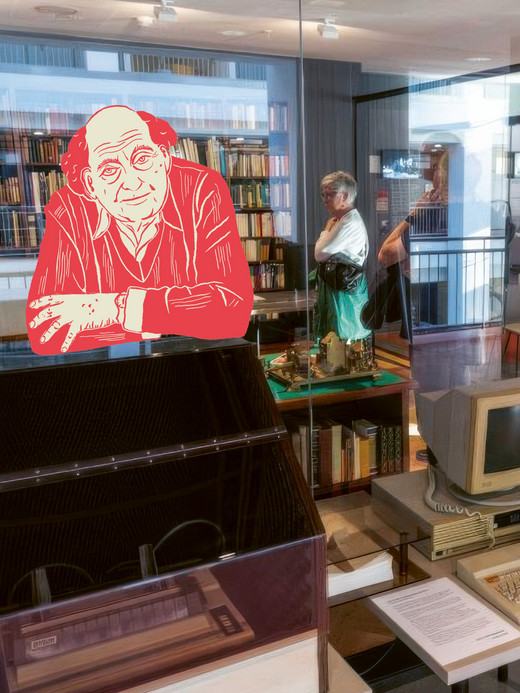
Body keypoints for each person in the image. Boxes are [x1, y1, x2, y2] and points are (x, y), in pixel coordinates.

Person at [26, 105, 253, 355]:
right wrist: (173, 321)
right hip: (110, 376)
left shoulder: (202, 189)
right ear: (91, 183)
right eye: (110, 170)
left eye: (142, 159)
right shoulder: (68, 209)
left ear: (163, 158)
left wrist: (117, 308)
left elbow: (233, 309)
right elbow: (46, 329)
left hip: (195, 369)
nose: (132, 183)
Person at [312, 170, 371, 343]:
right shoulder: (340, 220)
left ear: (344, 196)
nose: (325, 199)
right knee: (334, 337)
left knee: (345, 337)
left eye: (330, 194)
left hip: (345, 290)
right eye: (323, 194)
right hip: (339, 287)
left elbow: (320, 253)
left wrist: (325, 232)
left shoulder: (349, 223)